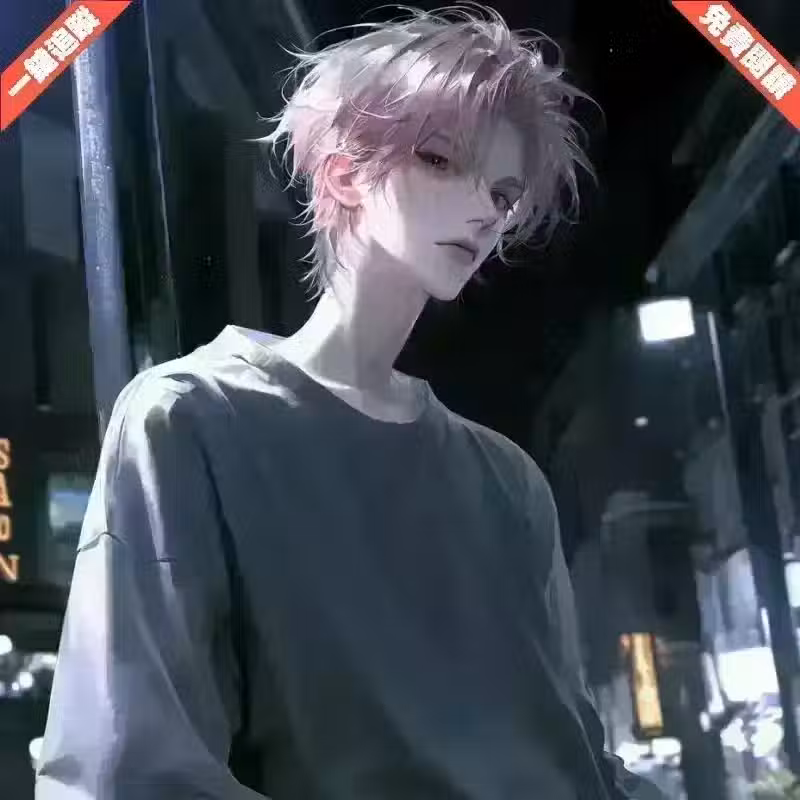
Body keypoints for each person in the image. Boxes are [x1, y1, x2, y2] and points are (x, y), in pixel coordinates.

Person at [36, 5, 664, 798]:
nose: (483, 208)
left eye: (504, 192)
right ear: (342, 173)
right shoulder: (190, 419)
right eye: (441, 160)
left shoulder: (509, 483)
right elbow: (128, 769)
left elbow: (580, 758)